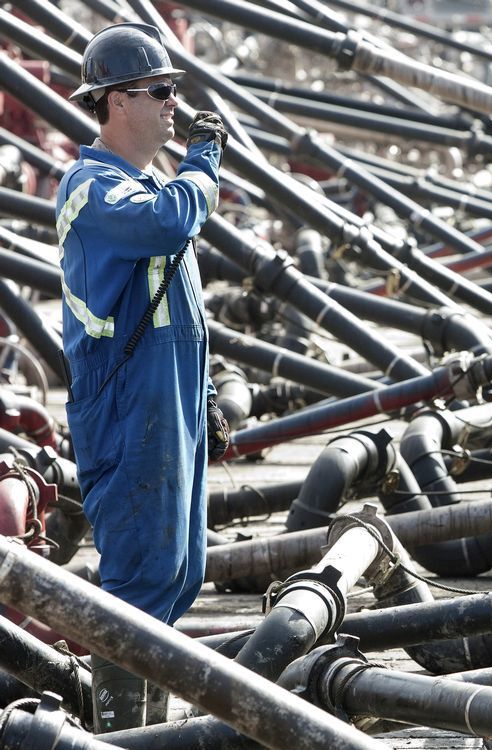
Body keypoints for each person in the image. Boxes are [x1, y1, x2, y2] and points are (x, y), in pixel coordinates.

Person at [56, 22, 230, 732]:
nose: (171, 105)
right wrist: (206, 161)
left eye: (175, 93)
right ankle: (121, 736)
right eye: (160, 92)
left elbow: (182, 314)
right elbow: (166, 226)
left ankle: (148, 732)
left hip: (171, 406)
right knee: (136, 582)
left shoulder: (148, 187)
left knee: (179, 573)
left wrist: (208, 399)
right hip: (128, 413)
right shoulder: (93, 190)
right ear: (115, 103)